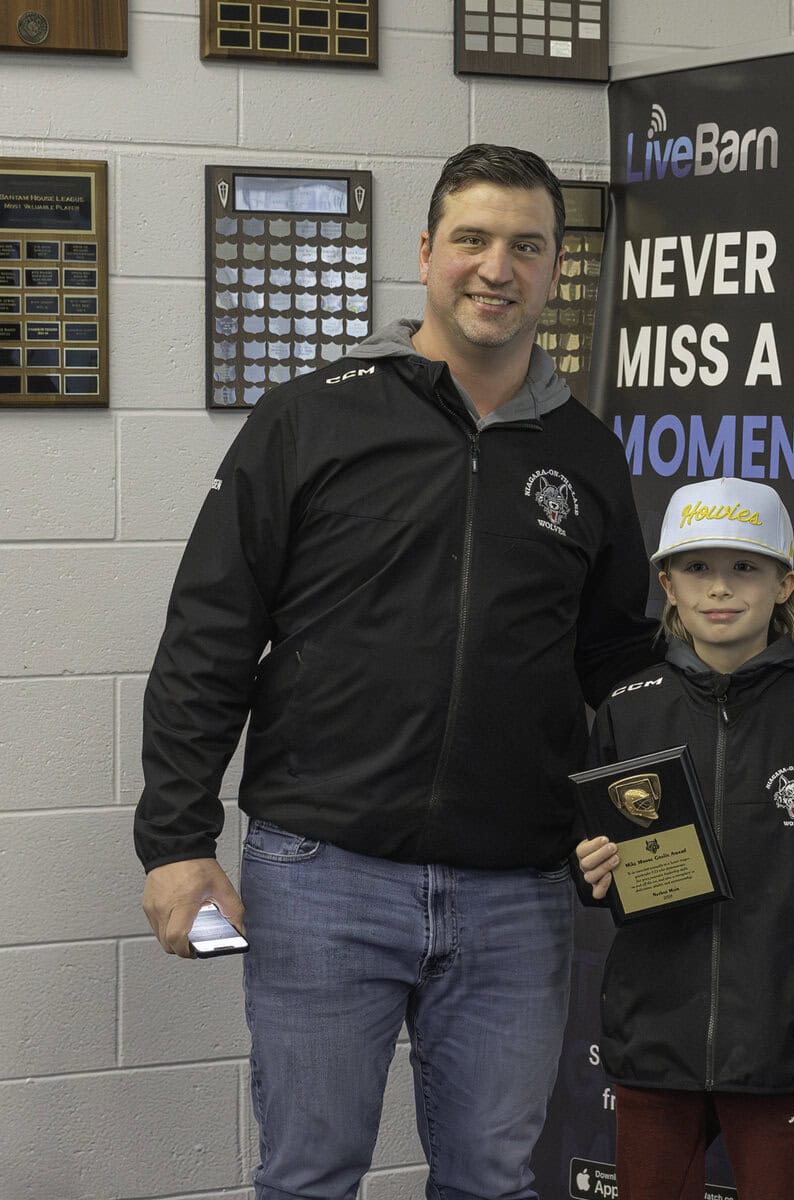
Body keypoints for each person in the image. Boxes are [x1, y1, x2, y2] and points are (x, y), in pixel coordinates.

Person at [133, 144, 659, 1200]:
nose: (496, 268)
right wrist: (176, 842)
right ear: (425, 253)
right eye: (472, 239)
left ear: (556, 269)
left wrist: (667, 805)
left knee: (493, 1180)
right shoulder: (312, 416)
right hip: (323, 872)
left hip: (517, 888)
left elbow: (616, 666)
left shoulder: (587, 453)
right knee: (310, 1176)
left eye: (526, 246)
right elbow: (210, 633)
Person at [574, 476, 794, 1200]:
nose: (720, 588)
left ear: (785, 585)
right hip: (654, 1047)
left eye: (745, 567)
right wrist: (590, 869)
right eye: (698, 568)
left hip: (787, 1053)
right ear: (668, 585)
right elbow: (597, 871)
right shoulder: (628, 709)